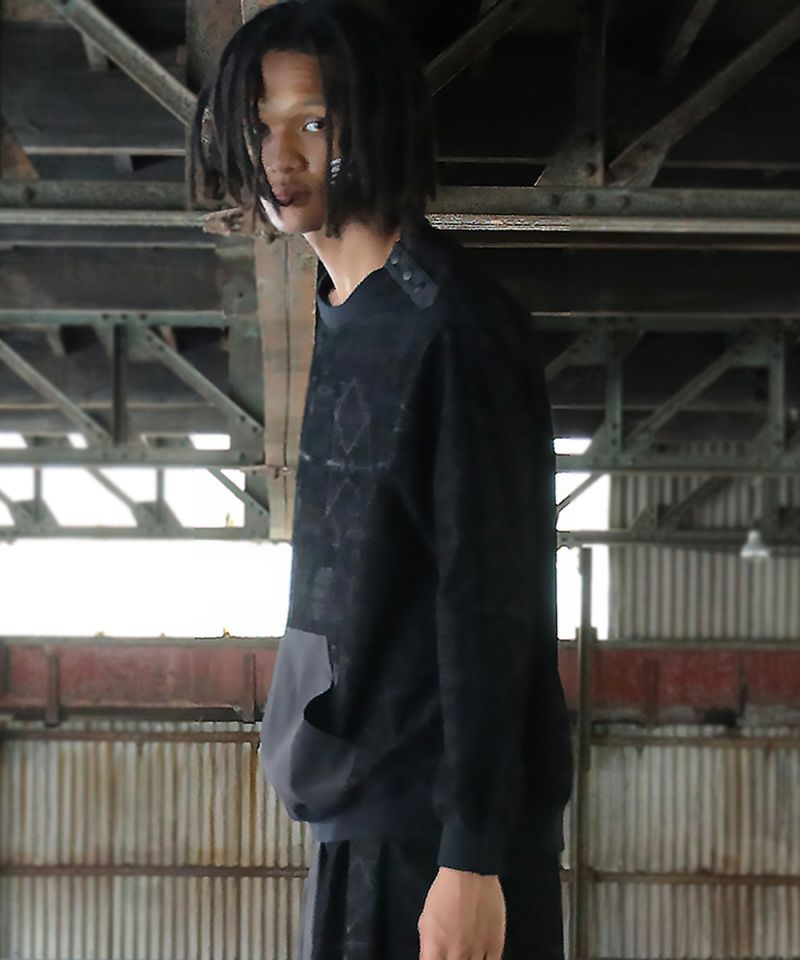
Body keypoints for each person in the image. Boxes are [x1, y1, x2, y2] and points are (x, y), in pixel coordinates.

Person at [194, 2, 573, 957]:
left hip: (431, 844)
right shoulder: (349, 303)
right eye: (261, 125)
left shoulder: (453, 325)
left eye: (313, 122)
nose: (279, 155)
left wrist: (471, 857)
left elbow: (491, 600)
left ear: (373, 125)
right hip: (358, 822)